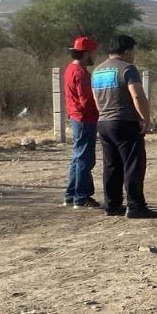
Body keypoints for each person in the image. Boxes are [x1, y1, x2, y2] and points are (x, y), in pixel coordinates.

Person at [92, 34, 157, 219]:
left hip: (104, 122)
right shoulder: (128, 69)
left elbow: (96, 99)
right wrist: (145, 118)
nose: (134, 55)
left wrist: (104, 114)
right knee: (133, 165)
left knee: (111, 166)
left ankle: (112, 205)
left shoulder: (97, 70)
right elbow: (137, 95)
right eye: (133, 51)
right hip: (125, 122)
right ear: (127, 51)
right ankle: (136, 206)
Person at [62, 35, 100, 209]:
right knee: (85, 158)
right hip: (85, 118)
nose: (94, 56)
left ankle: (71, 195)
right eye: (93, 53)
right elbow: (86, 101)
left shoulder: (69, 69)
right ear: (86, 54)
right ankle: (82, 196)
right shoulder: (81, 73)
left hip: (75, 117)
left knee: (77, 157)